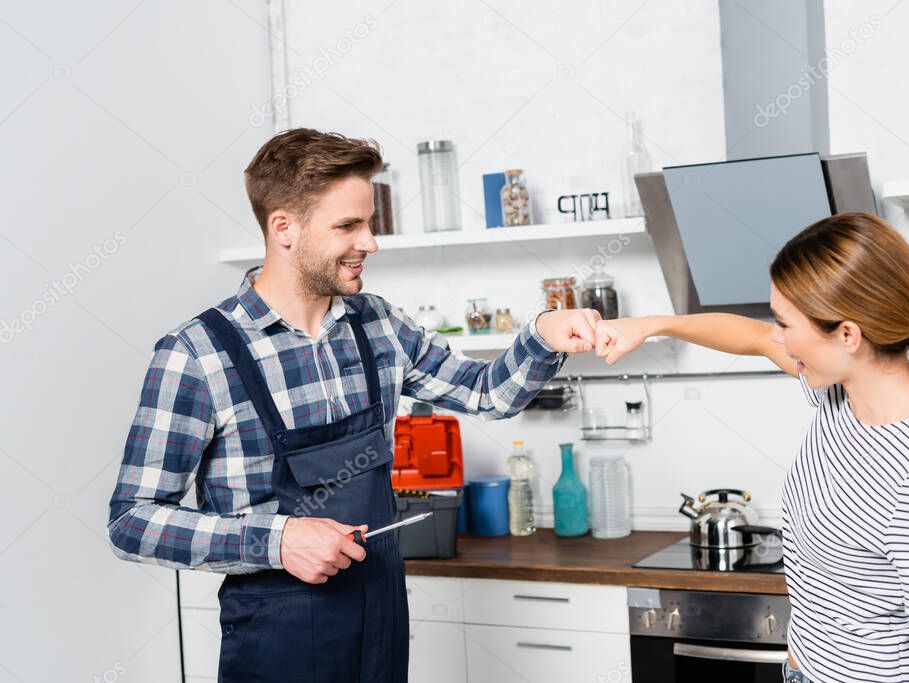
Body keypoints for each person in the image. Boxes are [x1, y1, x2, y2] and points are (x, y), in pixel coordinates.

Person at [107, 128, 600, 682]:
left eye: (369, 222)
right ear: (283, 228)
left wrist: (544, 334)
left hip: (381, 616)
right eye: (348, 226)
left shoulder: (378, 324)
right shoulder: (197, 355)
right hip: (277, 636)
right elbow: (132, 521)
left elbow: (486, 392)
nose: (370, 242)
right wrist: (280, 538)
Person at [595, 212, 909, 683]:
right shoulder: (840, 392)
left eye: (787, 323)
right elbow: (756, 338)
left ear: (848, 334)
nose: (778, 337)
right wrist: (650, 325)